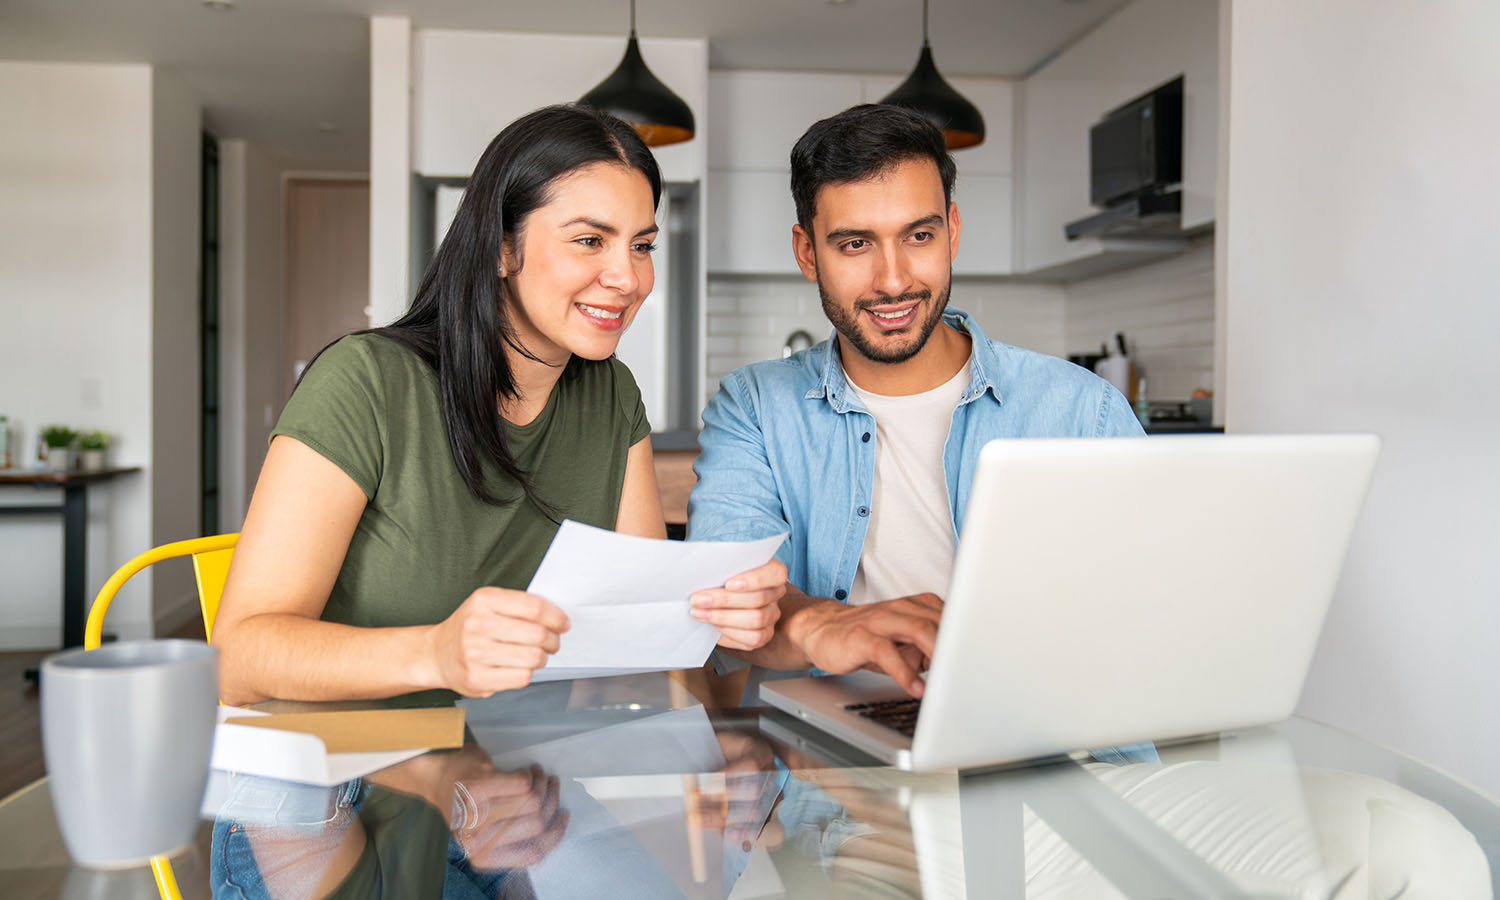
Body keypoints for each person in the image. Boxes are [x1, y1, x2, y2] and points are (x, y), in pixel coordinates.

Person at [212, 104, 785, 707]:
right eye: (590, 240)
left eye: (641, 245)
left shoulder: (611, 393)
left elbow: (634, 632)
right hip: (352, 775)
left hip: (518, 778)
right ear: (501, 249)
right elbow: (237, 658)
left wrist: (719, 617)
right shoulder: (366, 382)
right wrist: (435, 652)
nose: (629, 277)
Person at [687, 104, 1144, 698]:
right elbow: (730, 611)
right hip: (828, 756)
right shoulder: (754, 409)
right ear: (807, 253)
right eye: (855, 244)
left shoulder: (1087, 412)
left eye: (919, 236)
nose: (894, 280)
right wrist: (822, 623)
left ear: (952, 231)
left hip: (1044, 736)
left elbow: (1149, 612)